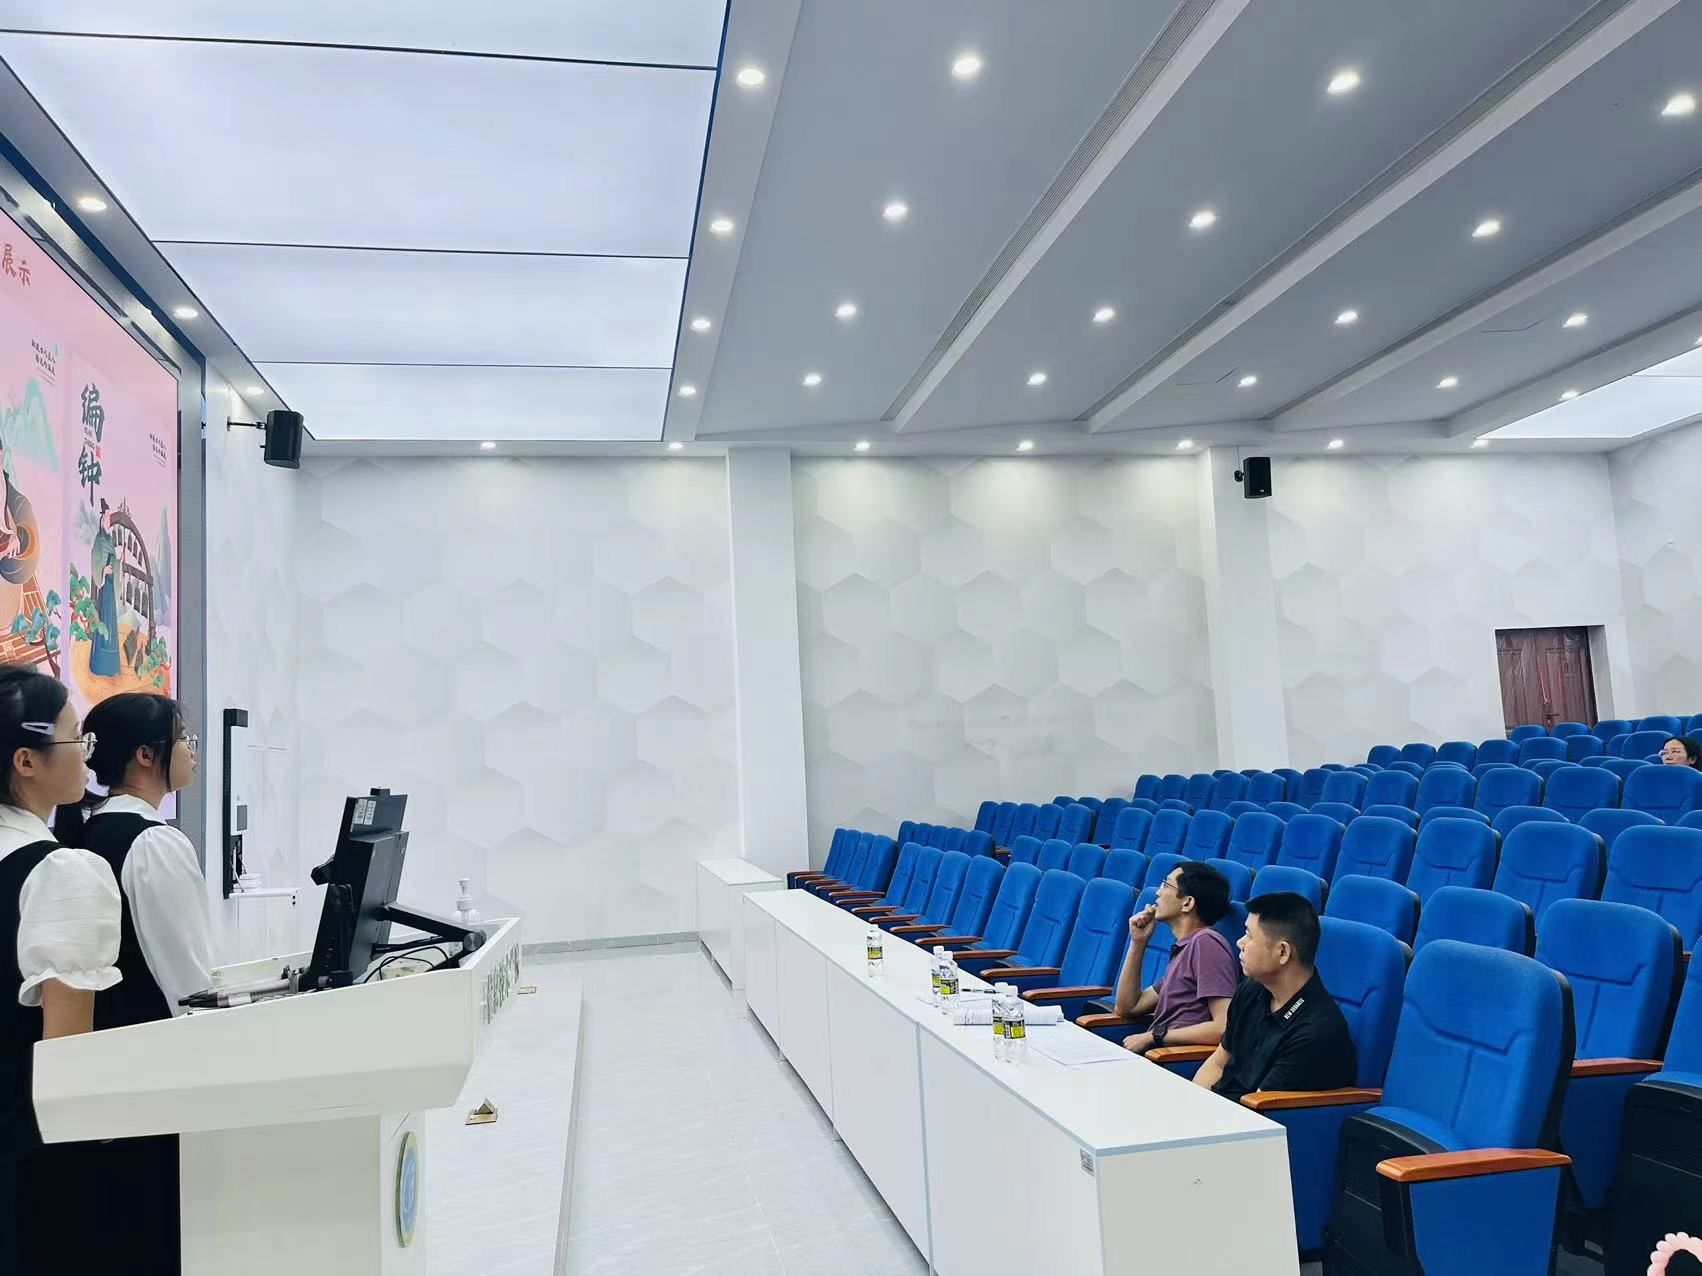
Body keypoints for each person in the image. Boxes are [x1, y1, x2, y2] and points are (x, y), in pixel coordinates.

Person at [54, 692, 210, 1273]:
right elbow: (190, 984)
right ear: (146, 755)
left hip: (110, 1072)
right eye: (183, 738)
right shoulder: (154, 843)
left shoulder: (87, 833)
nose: (191, 751)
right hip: (157, 1073)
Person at [0, 666, 121, 1269]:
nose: (87, 756)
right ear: (27, 760)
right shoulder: (60, 872)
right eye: (77, 739)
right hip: (25, 1148)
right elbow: (68, 1055)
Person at [1193, 892, 1356, 1103]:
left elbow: (1261, 1107)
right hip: (1220, 1108)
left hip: (1252, 1118)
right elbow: (1218, 1062)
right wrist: (1193, 1105)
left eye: (1249, 936)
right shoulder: (1251, 989)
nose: (1240, 943)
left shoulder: (1316, 1032)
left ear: (1282, 952)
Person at [1111, 861, 1239, 1056]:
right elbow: (1127, 1007)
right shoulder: (1187, 948)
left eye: (1165, 885)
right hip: (1159, 1056)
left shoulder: (1207, 943)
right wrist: (1138, 943)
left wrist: (1154, 1035)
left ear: (1187, 903)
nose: (1158, 892)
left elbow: (1224, 1027)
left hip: (1174, 1061)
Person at [89, 500, 121, 678]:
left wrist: (118, 561)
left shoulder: (110, 540)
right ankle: (101, 665)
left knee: (111, 624)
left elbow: (113, 561)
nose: (108, 520)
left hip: (110, 585)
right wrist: (103, 570)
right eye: (106, 517)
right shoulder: (99, 539)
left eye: (109, 517)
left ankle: (111, 666)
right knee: (103, 622)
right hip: (104, 587)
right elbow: (95, 558)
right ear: (102, 520)